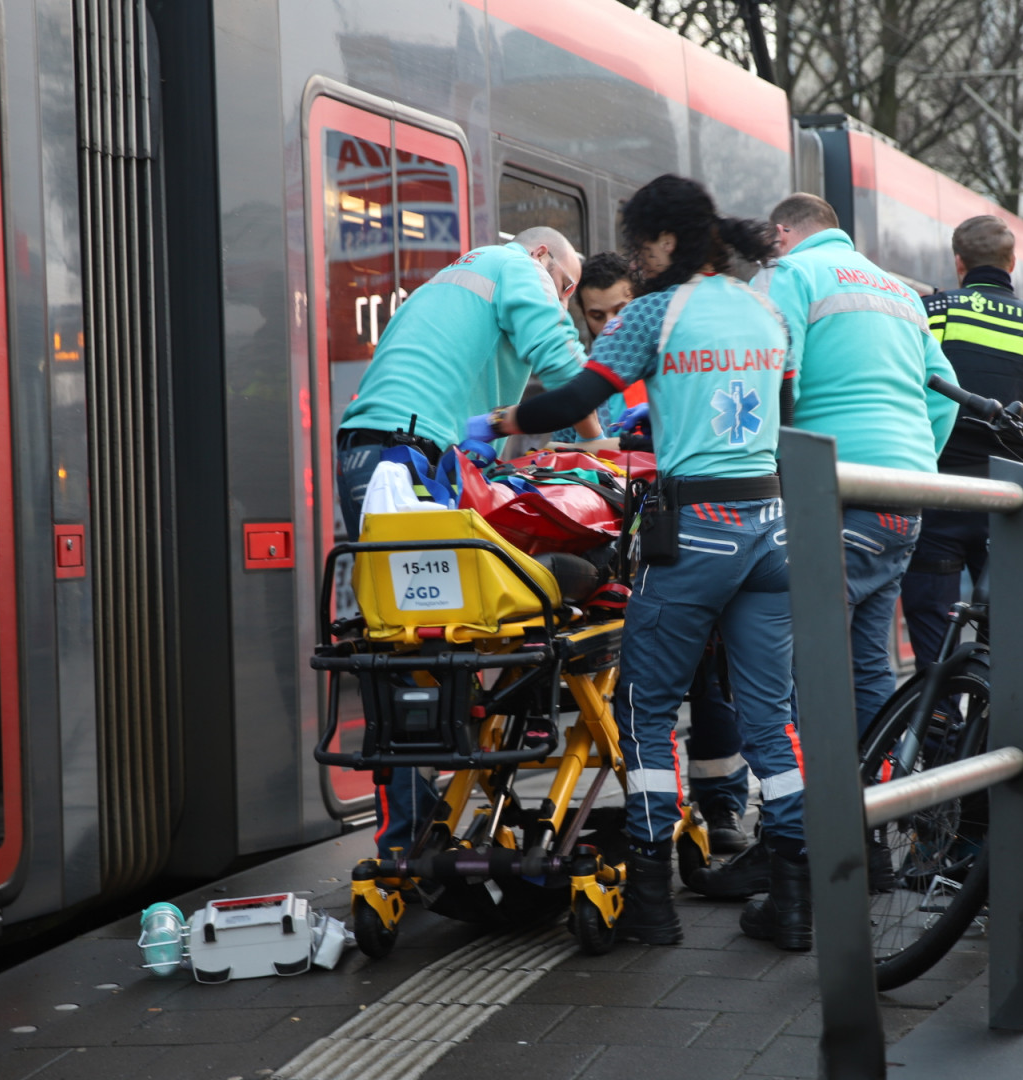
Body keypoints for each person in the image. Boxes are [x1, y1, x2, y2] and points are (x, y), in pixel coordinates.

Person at [477, 175, 809, 949]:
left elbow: (569, 402)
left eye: (641, 242)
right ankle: (796, 899)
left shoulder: (657, 314)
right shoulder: (767, 311)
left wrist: (497, 420)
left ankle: (653, 902)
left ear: (664, 240)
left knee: (646, 711)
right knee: (772, 718)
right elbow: (784, 420)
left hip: (695, 531)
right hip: (771, 531)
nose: (638, 256)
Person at [335, 225, 597, 860]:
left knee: (407, 652)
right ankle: (416, 836)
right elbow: (562, 357)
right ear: (542, 257)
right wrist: (601, 441)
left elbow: (478, 404)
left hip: (368, 459)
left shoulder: (453, 280)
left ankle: (414, 833)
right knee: (436, 650)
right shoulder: (517, 267)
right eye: (565, 287)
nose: (561, 301)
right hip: (408, 467)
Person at [758, 193, 959, 735]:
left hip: (833, 491)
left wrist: (773, 463)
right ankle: (874, 794)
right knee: (868, 659)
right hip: (903, 491)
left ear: (780, 233)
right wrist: (912, 459)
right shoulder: (898, 290)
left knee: (805, 649)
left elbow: (776, 368)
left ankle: (817, 806)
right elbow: (945, 393)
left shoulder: (790, 273)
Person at [575, 253, 751, 856]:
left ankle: (722, 807)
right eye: (596, 315)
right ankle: (654, 815)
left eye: (620, 309)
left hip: (690, 531)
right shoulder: (595, 370)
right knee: (643, 687)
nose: (608, 323)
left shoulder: (670, 344)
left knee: (707, 677)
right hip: (630, 540)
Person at [902, 215, 1023, 669]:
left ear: (958, 263)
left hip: (934, 496)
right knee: (1004, 642)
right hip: (1007, 507)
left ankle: (939, 731)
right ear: (1013, 263)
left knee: (933, 641)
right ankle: (997, 731)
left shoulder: (933, 312)